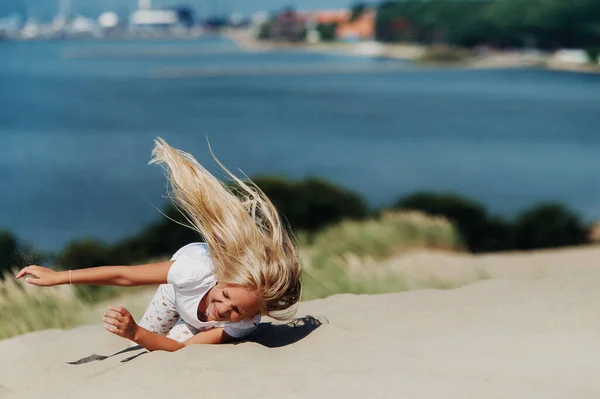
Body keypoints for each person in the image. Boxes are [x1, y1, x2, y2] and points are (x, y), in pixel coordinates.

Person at [15, 138, 302, 352]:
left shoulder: (243, 324)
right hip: (176, 294)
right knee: (142, 344)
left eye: (237, 310)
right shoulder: (192, 270)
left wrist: (135, 332)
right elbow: (124, 275)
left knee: (162, 348)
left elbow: (184, 351)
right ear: (225, 278)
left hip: (194, 326)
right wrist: (59, 277)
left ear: (251, 315)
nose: (224, 309)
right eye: (226, 295)